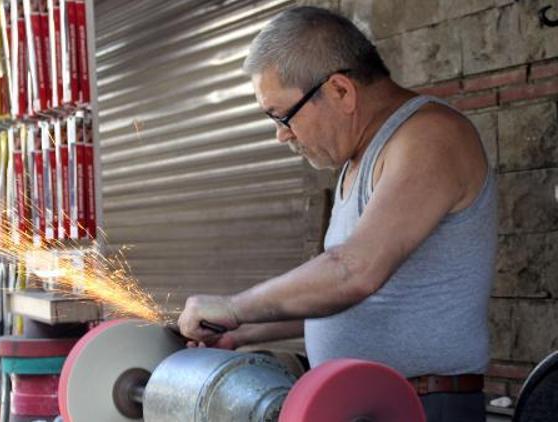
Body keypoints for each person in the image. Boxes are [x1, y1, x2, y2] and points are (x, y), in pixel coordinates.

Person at [177, 6, 496, 422]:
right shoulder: (355, 159)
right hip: (359, 402)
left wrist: (234, 307)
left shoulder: (429, 137)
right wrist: (238, 333)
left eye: (283, 115)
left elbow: (353, 271)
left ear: (341, 91)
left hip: (419, 406)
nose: (281, 134)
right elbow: (343, 297)